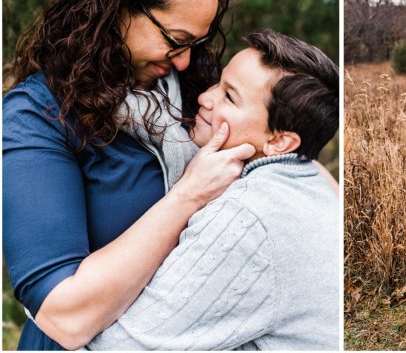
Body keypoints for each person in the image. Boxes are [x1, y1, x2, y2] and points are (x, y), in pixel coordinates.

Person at [3, 0, 255, 351]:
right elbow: (64, 315)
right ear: (119, 5)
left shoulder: (199, 89)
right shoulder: (37, 116)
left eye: (196, 42)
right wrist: (189, 195)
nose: (183, 61)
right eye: (175, 40)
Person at [86, 29, 340, 350]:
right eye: (218, 83)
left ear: (279, 142)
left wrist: (47, 304)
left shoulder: (246, 216)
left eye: (229, 97)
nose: (205, 98)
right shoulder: (308, 182)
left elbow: (120, 347)